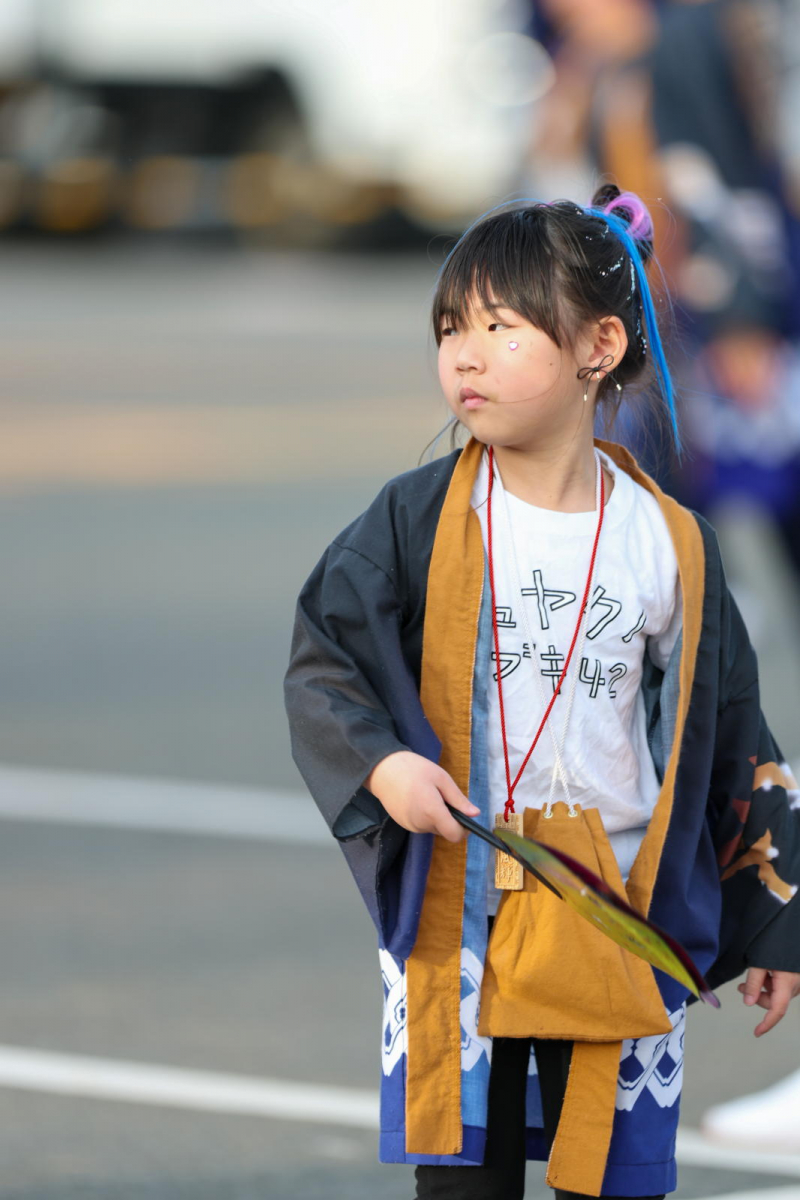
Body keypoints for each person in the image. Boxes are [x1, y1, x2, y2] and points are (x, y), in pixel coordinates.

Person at [283, 186, 800, 1200]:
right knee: (466, 1178)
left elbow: (731, 732)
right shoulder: (419, 516)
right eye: (448, 329)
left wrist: (772, 918)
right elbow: (324, 655)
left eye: (497, 326)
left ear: (596, 347)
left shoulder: (670, 544)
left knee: (604, 1178)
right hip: (462, 916)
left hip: (613, 911)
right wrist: (384, 766)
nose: (462, 356)